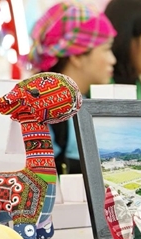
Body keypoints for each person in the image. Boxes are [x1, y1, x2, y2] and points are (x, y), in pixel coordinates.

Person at [28, 1, 117, 175]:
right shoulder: (43, 111)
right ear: (77, 56)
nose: (112, 60)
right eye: (106, 49)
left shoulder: (84, 103)